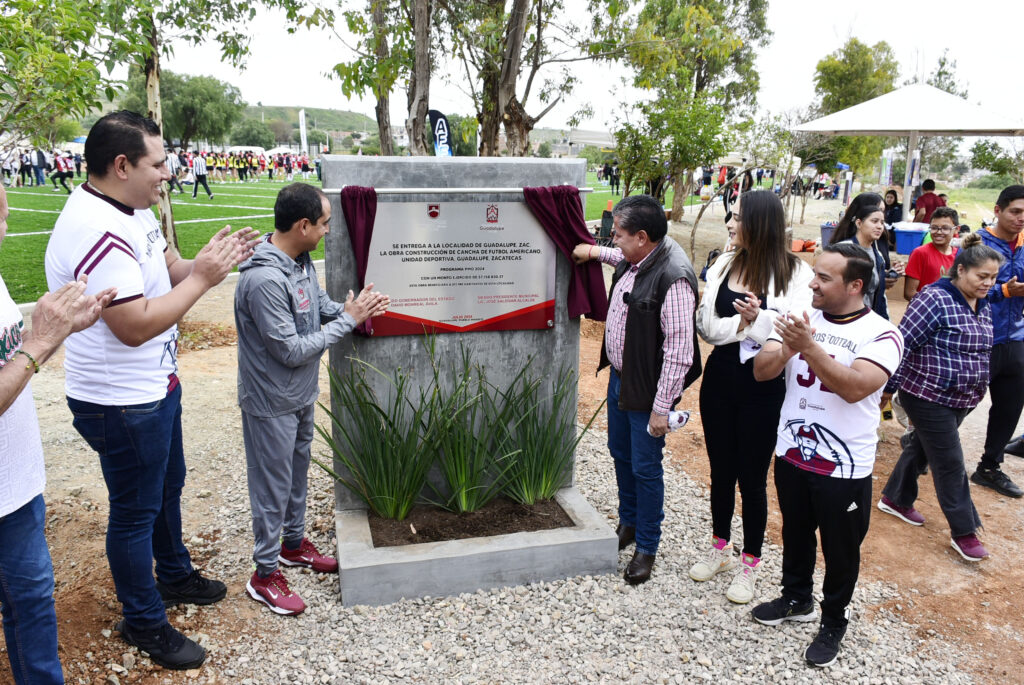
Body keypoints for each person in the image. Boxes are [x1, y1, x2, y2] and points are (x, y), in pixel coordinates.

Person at [44, 110, 259, 670]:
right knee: (135, 511)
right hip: (120, 401)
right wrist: (203, 280)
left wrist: (210, 263)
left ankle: (173, 573)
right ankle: (143, 620)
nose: (169, 172)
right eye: (157, 163)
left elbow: (170, 270)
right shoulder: (98, 228)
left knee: (167, 485)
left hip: (153, 387)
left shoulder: (133, 210)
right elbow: (135, 324)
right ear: (121, 166)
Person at [235, 184, 389, 615]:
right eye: (322, 224)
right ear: (302, 225)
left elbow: (319, 307)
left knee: (296, 474)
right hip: (270, 402)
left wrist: (352, 308)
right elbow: (291, 350)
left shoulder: (300, 262)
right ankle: (264, 574)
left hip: (300, 394)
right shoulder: (264, 279)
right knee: (272, 487)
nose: (326, 231)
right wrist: (349, 322)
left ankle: (292, 544)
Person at [750, 243, 903, 668]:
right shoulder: (803, 317)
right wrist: (787, 347)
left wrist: (809, 348)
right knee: (796, 531)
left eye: (824, 278)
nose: (813, 283)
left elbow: (855, 388)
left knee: (840, 548)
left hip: (844, 464)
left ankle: (835, 618)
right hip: (792, 451)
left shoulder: (882, 334)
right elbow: (762, 372)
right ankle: (797, 597)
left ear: (855, 286)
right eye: (815, 274)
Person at [0, 184, 115, 684]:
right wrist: (40, 344)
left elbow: (12, 351)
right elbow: (22, 355)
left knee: (29, 605)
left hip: (16, 487)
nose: (5, 222)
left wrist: (58, 331)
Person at [571, 195, 701, 585]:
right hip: (621, 380)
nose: (615, 241)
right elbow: (620, 258)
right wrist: (593, 252)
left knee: (645, 468)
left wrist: (661, 409)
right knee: (620, 453)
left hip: (647, 391)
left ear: (643, 237)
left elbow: (679, 351)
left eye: (619, 235)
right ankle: (628, 523)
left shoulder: (674, 278)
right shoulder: (641, 256)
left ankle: (647, 545)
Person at [691, 190, 813, 604]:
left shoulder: (796, 273)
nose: (730, 224)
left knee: (753, 478)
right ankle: (719, 548)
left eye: (737, 217)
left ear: (759, 222)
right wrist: (748, 328)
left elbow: (791, 330)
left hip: (764, 384)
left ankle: (750, 563)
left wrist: (758, 321)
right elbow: (706, 325)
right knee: (720, 470)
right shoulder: (725, 263)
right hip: (721, 376)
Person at [878, 233, 1002, 561]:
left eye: (993, 277)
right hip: (926, 394)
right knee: (950, 461)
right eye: (982, 276)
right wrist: (888, 389)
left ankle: (895, 498)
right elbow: (902, 344)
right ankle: (964, 532)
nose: (988, 283)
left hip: (962, 397)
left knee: (922, 446)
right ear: (960, 270)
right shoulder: (934, 299)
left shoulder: (983, 303)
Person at [970, 185, 1024, 498]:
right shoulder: (978, 244)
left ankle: (989, 466)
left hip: (1015, 337)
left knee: (1010, 405)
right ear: (997, 210)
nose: (1020, 219)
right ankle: (920, 451)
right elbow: (961, 289)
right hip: (981, 337)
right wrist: (1002, 291)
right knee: (959, 404)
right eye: (1015, 211)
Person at [829, 192, 899, 320]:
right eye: (874, 220)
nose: (879, 226)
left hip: (867, 321)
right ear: (859, 222)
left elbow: (880, 296)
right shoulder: (842, 251)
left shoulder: (878, 255)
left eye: (882, 222)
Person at [903, 207, 960, 300]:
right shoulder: (920, 253)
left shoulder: (959, 255)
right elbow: (909, 293)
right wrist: (935, 306)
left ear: (956, 229)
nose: (938, 232)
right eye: (934, 228)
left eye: (945, 228)